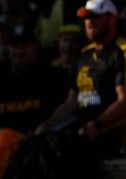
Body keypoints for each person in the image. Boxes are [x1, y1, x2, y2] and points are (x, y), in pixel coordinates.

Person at [36, 0, 126, 153]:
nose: (89, 22)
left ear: (112, 18)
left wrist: (96, 124)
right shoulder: (84, 54)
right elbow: (72, 102)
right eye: (86, 18)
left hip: (116, 143)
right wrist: (45, 126)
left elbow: (124, 101)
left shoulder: (122, 52)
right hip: (85, 140)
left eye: (95, 17)